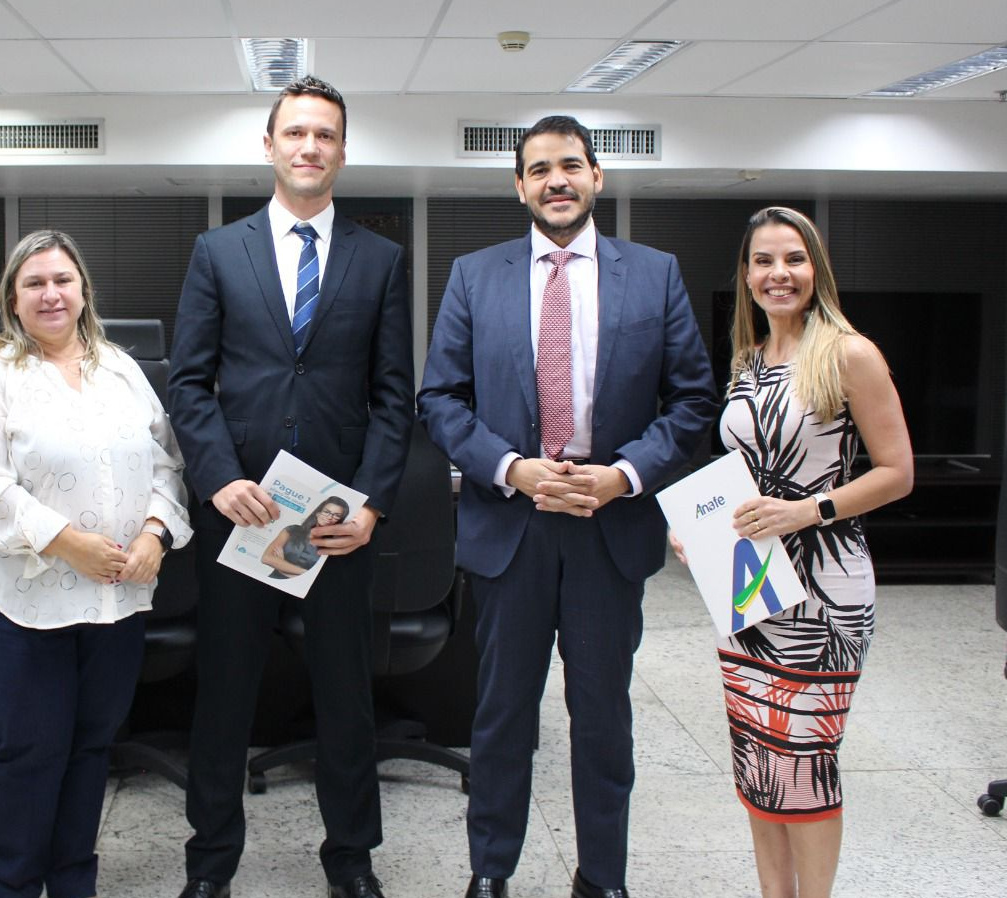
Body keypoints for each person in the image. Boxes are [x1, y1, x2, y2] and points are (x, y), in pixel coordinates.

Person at [416, 115, 719, 898]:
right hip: (510, 528)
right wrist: (511, 468)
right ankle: (491, 870)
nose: (557, 180)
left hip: (606, 530)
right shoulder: (474, 275)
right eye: (541, 169)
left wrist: (624, 475)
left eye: (571, 165)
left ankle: (603, 876)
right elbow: (440, 399)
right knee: (502, 714)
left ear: (596, 178)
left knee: (603, 716)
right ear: (519, 186)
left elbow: (693, 400)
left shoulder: (653, 274)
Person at [167, 74, 414, 898]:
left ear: (343, 151)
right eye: (297, 133)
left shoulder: (381, 259)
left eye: (326, 135)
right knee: (224, 698)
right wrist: (217, 479)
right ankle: (210, 865)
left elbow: (395, 397)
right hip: (243, 516)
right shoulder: (218, 252)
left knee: (346, 700)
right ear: (269, 145)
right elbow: (189, 383)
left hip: (335, 524)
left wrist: (371, 503)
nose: (311, 147)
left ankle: (351, 860)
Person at [0, 229, 192, 898]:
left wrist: (156, 533)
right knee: (29, 752)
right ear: (12, 299)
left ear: (83, 291)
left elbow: (167, 463)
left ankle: (75, 882)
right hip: (22, 601)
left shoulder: (121, 368)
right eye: (35, 284)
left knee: (90, 748)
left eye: (62, 281)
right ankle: (17, 886)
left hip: (115, 599)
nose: (50, 294)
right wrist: (66, 542)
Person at [672, 206, 912, 898]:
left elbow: (897, 472)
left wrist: (807, 510)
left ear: (817, 270)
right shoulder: (748, 361)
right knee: (759, 762)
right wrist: (700, 530)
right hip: (750, 588)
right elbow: (746, 473)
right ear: (746, 276)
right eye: (764, 261)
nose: (779, 274)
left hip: (824, 593)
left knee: (805, 764)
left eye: (794, 259)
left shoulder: (848, 354)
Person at [260, 496, 350, 578]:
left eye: (336, 515)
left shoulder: (332, 546)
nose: (329, 517)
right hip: (273, 581)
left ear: (340, 521)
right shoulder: (292, 530)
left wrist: (281, 565)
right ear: (318, 513)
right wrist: (306, 573)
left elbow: (318, 577)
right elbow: (266, 558)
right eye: (326, 512)